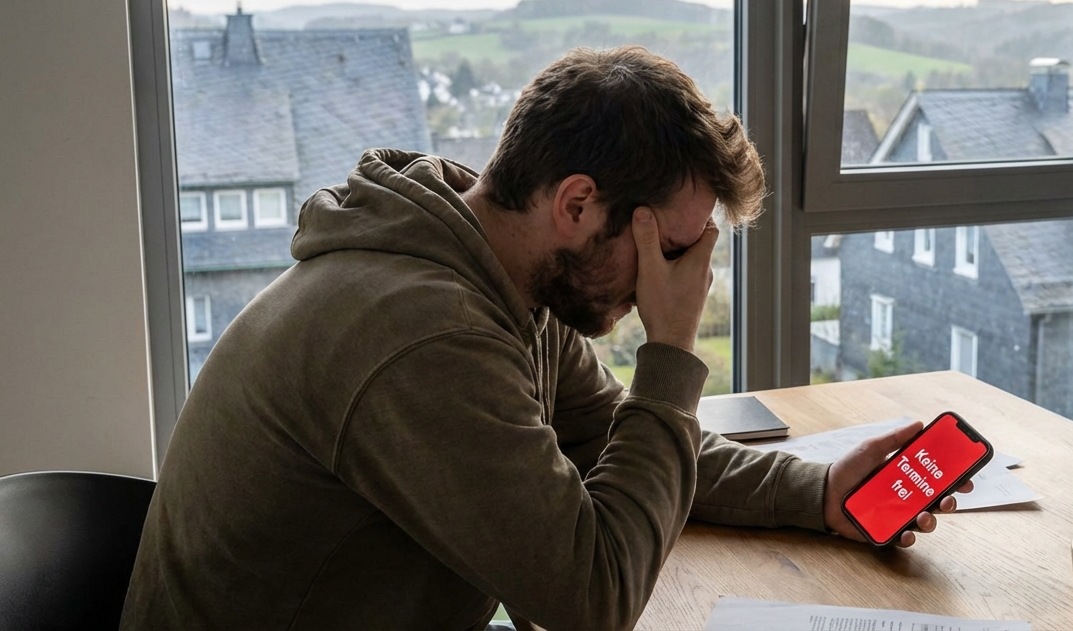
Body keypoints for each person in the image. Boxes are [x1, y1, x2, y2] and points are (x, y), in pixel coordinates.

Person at [121, 46, 968, 630]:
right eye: (667, 251)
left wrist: (818, 495)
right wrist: (671, 352)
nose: (674, 284)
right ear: (576, 204)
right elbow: (591, 602)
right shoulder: (422, 337)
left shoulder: (502, 281)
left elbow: (618, 439)